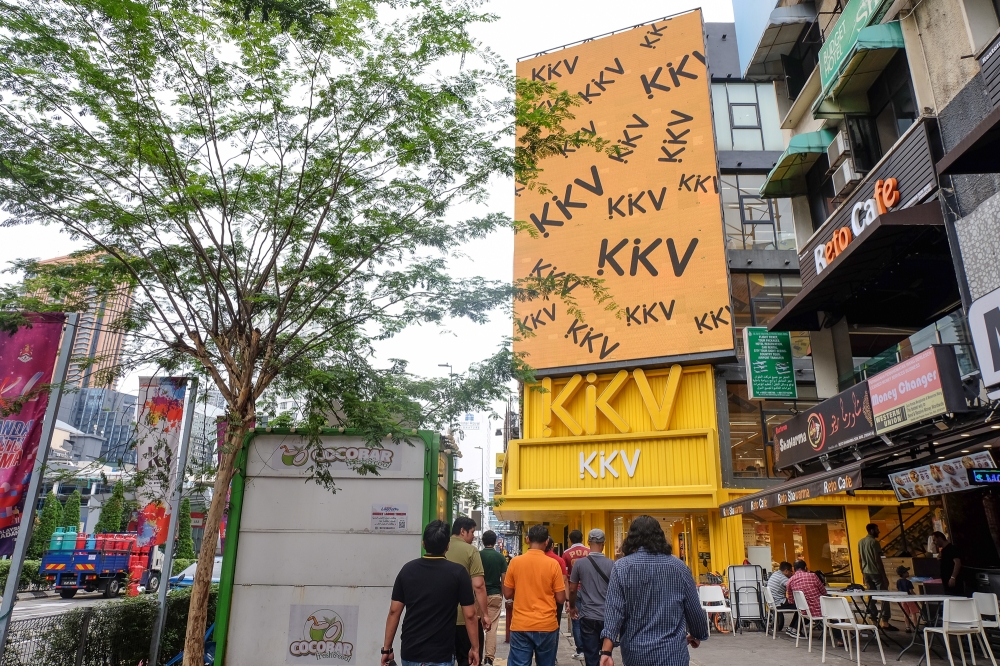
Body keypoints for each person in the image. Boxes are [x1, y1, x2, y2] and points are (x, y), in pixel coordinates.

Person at [599, 515, 708, 666]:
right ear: (660, 537)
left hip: (636, 654)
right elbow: (694, 610)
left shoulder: (621, 567)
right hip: (672, 654)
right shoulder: (679, 567)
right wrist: (697, 634)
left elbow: (614, 612)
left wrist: (606, 652)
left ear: (631, 539)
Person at [382, 520, 479, 666]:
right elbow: (470, 615)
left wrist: (386, 649)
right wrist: (475, 648)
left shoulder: (407, 570)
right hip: (441, 654)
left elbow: (394, 611)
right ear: (448, 545)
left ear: (423, 544)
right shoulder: (458, 573)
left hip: (410, 653)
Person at [504, 524, 566, 666]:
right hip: (547, 625)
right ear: (546, 542)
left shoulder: (515, 562)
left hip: (521, 625)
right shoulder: (553, 564)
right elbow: (561, 598)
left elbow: (507, 593)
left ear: (527, 540)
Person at [447, 517, 490, 665]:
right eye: (472, 532)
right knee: (469, 659)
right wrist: (485, 614)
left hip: (442, 619)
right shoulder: (471, 551)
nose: (473, 537)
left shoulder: (441, 547)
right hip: (466, 618)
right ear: (462, 531)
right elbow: (478, 586)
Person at [568, 529, 612, 666]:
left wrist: (573, 606)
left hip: (588, 616)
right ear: (603, 543)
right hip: (607, 617)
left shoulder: (579, 564)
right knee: (606, 656)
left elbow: (572, 589)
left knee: (591, 656)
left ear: (588, 542)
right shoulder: (612, 564)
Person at [858, 523, 895, 630]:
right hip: (876, 572)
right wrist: (883, 575)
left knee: (871, 597)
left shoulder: (860, 542)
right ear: (872, 530)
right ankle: (885, 621)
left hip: (866, 572)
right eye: (877, 529)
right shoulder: (874, 542)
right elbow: (877, 560)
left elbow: (860, 559)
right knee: (884, 596)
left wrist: (863, 573)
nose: (879, 531)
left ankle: (873, 620)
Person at [480, 530, 508, 666]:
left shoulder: (478, 555)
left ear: (482, 541)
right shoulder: (500, 558)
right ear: (496, 541)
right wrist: (502, 595)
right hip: (495, 594)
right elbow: (504, 579)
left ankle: (476, 653)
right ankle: (488, 658)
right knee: (491, 628)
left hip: (478, 596)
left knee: (477, 626)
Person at [563, 530, 590, 662]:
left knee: (576, 620)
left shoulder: (566, 553)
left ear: (570, 540)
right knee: (589, 619)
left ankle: (580, 650)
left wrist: (567, 598)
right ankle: (590, 647)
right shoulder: (589, 552)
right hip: (588, 590)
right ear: (583, 538)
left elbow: (565, 576)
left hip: (574, 589)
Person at [785, 559, 826, 638]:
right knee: (834, 609)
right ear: (805, 567)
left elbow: (791, 600)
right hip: (818, 609)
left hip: (803, 609)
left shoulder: (790, 581)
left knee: (803, 608)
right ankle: (840, 637)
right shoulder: (813, 576)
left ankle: (793, 628)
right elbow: (824, 592)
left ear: (794, 569)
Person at [545, 536, 569, 657]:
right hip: (555, 601)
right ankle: (551, 656)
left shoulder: (525, 560)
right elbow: (564, 581)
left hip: (536, 601)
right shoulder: (559, 560)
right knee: (555, 628)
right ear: (552, 546)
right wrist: (567, 600)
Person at [767, 562, 796, 631]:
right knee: (801, 606)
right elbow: (794, 587)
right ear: (786, 571)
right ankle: (794, 628)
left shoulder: (775, 574)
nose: (791, 573)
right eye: (790, 571)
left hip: (773, 602)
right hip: (779, 602)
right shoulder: (782, 578)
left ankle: (792, 627)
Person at [896, 565, 920, 633]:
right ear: (903, 574)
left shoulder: (898, 581)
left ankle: (907, 627)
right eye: (906, 572)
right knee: (913, 613)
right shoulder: (908, 582)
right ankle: (915, 626)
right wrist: (916, 597)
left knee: (906, 613)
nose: (908, 573)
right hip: (910, 599)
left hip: (902, 599)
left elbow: (898, 590)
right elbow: (911, 591)